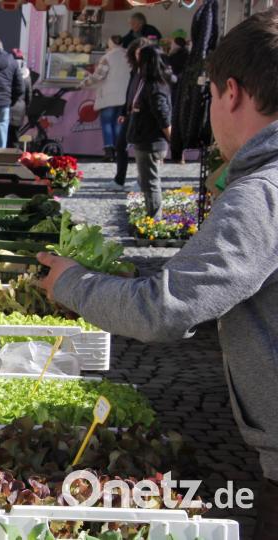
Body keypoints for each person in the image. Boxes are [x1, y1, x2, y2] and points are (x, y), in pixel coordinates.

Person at [37, 11, 278, 538]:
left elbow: (165, 309)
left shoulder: (263, 194)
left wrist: (72, 283)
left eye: (210, 96)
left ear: (231, 93)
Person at [126, 45, 172, 218]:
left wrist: (171, 139)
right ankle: (151, 216)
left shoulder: (154, 86)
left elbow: (163, 115)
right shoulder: (151, 82)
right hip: (146, 139)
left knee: (150, 183)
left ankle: (154, 219)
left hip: (150, 141)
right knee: (146, 182)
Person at [80, 35, 132, 161]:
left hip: (109, 95)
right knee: (120, 122)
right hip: (125, 95)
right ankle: (121, 151)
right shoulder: (129, 56)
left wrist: (83, 83)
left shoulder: (107, 57)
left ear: (110, 43)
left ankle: (109, 152)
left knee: (107, 122)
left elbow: (98, 77)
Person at [114, 38, 146, 187]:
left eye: (141, 53)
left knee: (142, 150)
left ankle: (142, 181)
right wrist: (123, 111)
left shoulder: (150, 71)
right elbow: (130, 91)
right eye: (136, 53)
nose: (138, 56)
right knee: (120, 145)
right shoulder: (135, 69)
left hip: (143, 115)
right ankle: (119, 179)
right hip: (130, 112)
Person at [7, 49, 32, 148]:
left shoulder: (7, 71)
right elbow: (29, 96)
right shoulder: (27, 74)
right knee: (14, 138)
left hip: (6, 108)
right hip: (19, 110)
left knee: (3, 138)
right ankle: (14, 159)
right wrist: (26, 108)